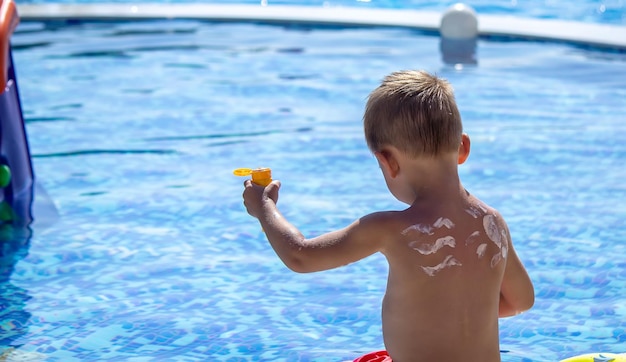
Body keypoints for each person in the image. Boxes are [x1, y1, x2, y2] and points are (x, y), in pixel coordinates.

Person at [241, 70, 534, 362]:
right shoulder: (492, 222)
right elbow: (521, 301)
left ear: (388, 162)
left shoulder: (391, 229)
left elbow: (300, 256)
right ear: (463, 148)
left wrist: (265, 208)